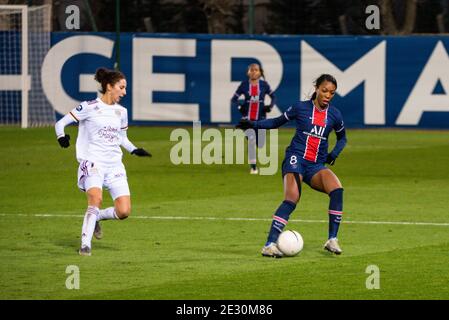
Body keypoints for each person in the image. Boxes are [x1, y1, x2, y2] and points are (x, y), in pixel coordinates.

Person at [237, 74, 347, 257]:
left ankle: (332, 239)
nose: (328, 95)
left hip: (316, 165)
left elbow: (343, 138)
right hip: (295, 159)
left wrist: (334, 154)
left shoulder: (334, 114)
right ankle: (269, 244)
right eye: (325, 90)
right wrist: (253, 124)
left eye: (332, 93)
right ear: (317, 89)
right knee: (292, 198)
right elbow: (276, 122)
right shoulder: (300, 108)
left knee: (337, 189)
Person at [55, 67, 151, 256]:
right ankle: (85, 245)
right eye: (121, 87)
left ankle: (97, 217)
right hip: (93, 162)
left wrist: (134, 150)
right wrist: (61, 136)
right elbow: (61, 123)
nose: (124, 92)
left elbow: (122, 137)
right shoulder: (89, 107)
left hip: (115, 164)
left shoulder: (121, 112)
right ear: (109, 86)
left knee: (124, 211)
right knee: (95, 200)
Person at [231, 63, 276, 174]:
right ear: (248, 72)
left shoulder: (264, 85)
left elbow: (273, 97)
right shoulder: (244, 85)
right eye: (251, 70)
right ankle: (254, 167)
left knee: (260, 143)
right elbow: (234, 99)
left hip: (260, 119)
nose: (253, 72)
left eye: (256, 70)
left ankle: (254, 163)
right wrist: (240, 106)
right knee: (251, 142)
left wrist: (269, 107)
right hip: (247, 120)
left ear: (260, 72)